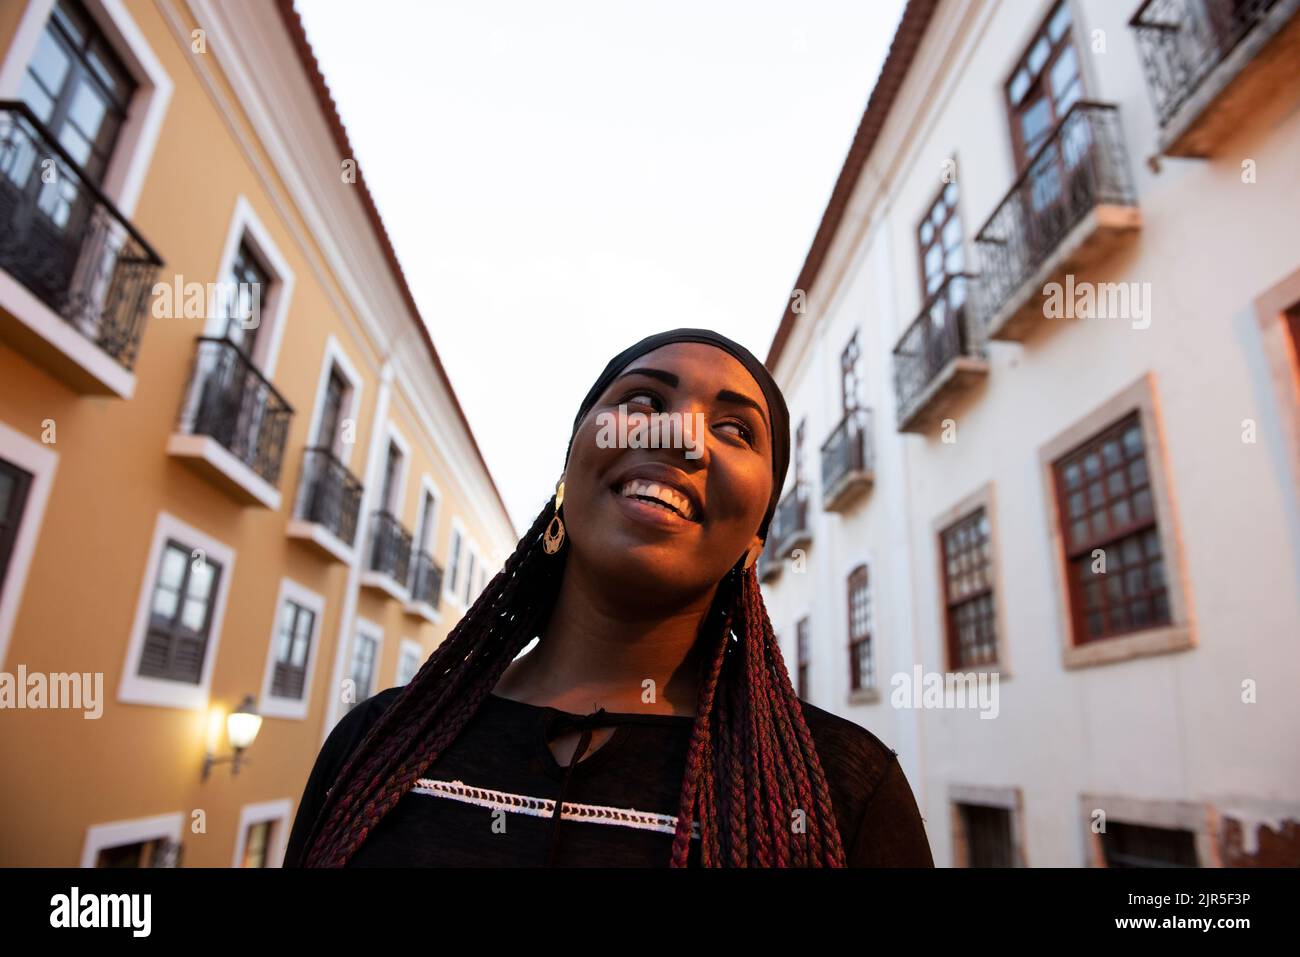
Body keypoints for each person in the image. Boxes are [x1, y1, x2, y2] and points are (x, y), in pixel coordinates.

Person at [284, 328, 933, 867]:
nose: (679, 436)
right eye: (644, 401)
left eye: (736, 429)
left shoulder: (844, 791)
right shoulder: (375, 746)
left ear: (755, 543)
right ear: (566, 477)